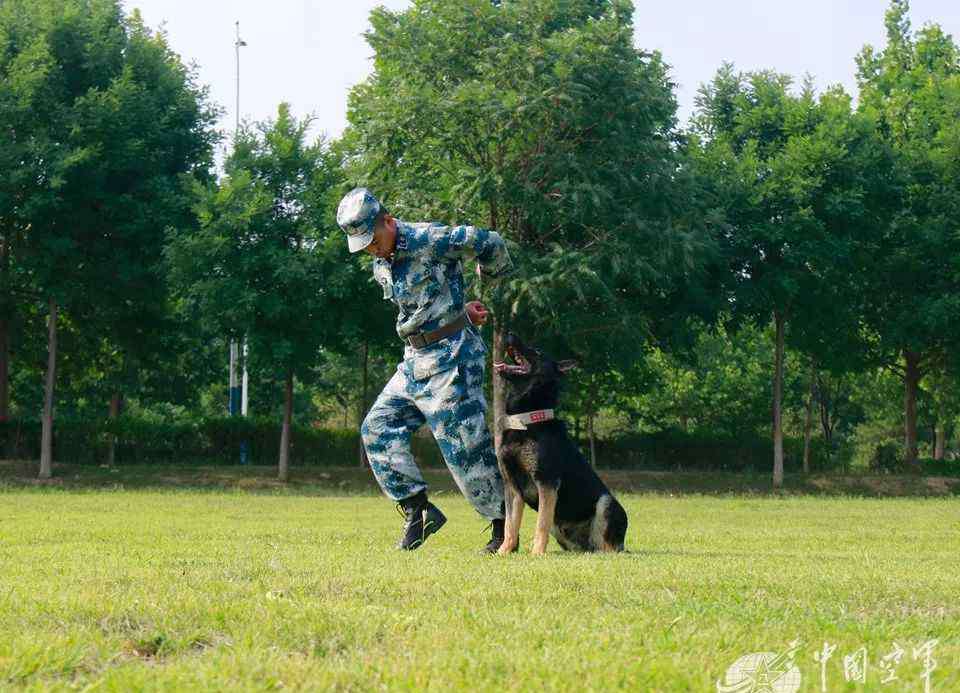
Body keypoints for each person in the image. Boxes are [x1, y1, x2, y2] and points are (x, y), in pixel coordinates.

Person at [337, 187, 512, 553]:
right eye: (364, 245)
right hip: (415, 361)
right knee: (377, 428)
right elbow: (425, 307)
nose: (372, 249)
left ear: (388, 221)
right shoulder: (380, 262)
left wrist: (488, 280)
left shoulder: (430, 239)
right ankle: (418, 511)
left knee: (467, 448)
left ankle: (503, 531)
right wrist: (461, 310)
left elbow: (489, 241)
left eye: (374, 239)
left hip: (453, 360)